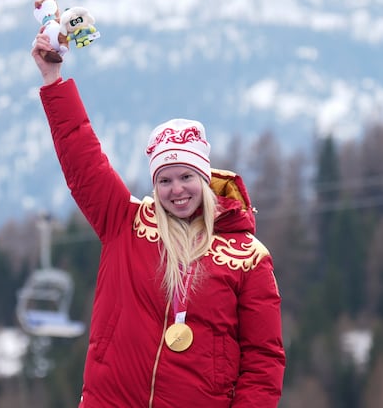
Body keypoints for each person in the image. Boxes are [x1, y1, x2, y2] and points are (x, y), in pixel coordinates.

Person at [31, 32, 285, 407]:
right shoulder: (125, 222)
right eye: (164, 180)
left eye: (186, 177)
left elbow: (263, 359)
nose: (176, 189)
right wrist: (53, 80)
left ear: (205, 179)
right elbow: (83, 159)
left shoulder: (247, 256)